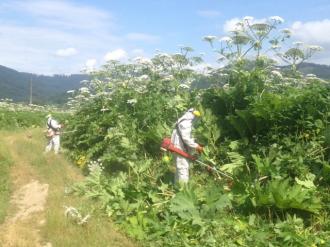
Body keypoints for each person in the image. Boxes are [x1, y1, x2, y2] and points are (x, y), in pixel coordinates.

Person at [171, 108, 203, 183]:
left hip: (176, 147)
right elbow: (186, 138)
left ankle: (177, 186)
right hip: (180, 149)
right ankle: (184, 190)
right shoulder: (186, 123)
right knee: (183, 169)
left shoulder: (181, 120)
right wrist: (196, 146)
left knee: (179, 169)